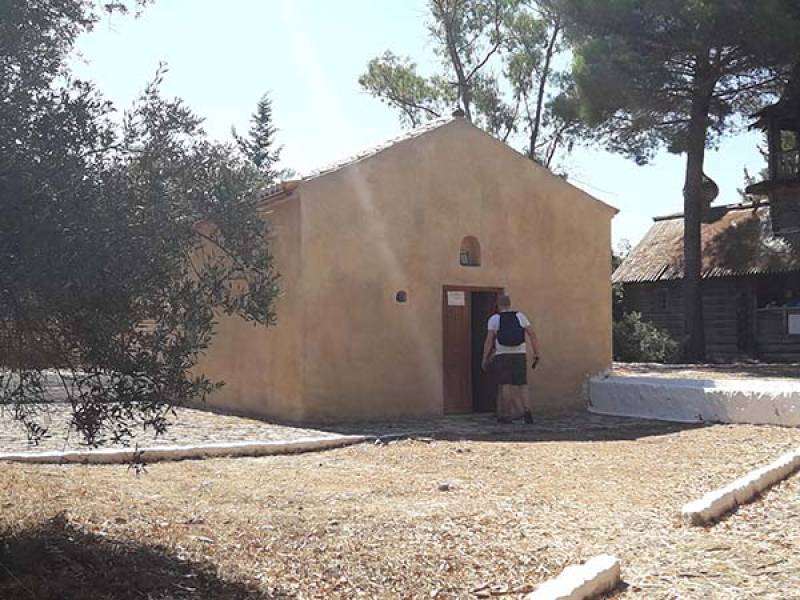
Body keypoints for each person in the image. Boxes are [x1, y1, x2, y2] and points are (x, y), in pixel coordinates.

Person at [481, 294, 540, 424]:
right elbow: (532, 334)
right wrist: (536, 353)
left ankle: (507, 414)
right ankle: (527, 410)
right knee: (522, 384)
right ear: (509, 304)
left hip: (502, 354)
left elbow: (489, 340)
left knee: (505, 384)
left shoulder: (494, 319)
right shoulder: (520, 316)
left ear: (498, 305)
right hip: (520, 353)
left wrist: (485, 358)